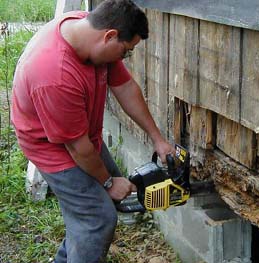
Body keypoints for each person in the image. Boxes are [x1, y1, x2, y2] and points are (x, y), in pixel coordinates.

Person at [11, 0, 174, 262]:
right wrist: (108, 182)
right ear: (109, 36)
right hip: (52, 146)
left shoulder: (89, 30)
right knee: (97, 218)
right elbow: (77, 147)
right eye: (126, 51)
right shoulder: (54, 73)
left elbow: (125, 88)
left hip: (81, 135)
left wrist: (158, 140)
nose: (125, 57)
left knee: (93, 211)